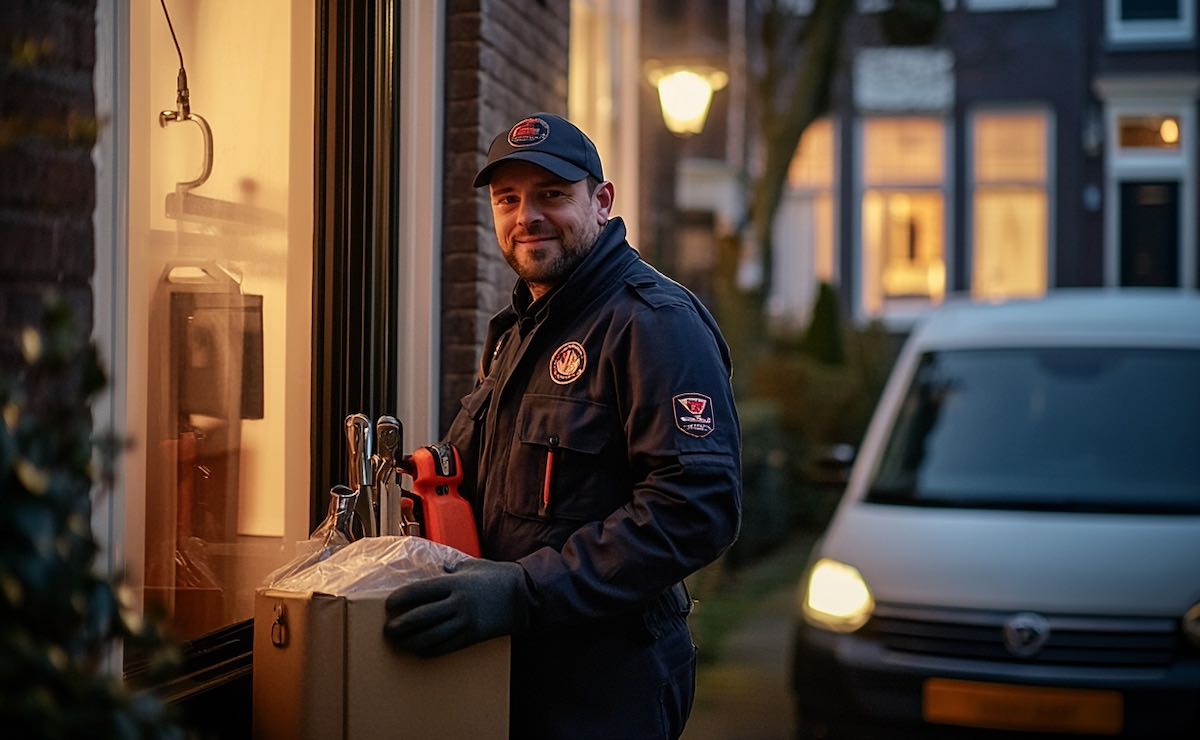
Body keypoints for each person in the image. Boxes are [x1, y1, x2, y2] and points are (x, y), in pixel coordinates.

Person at [383, 112, 742, 740]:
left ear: (601, 202)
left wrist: (524, 591)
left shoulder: (654, 323)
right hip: (518, 673)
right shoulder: (522, 326)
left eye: (552, 194)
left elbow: (696, 508)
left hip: (605, 686)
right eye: (508, 199)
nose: (527, 216)